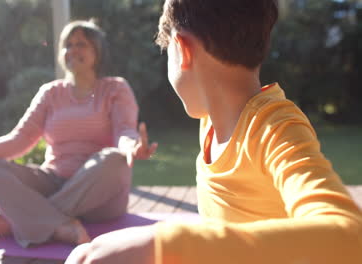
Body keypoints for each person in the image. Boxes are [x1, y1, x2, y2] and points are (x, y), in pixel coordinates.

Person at [64, 1, 362, 263]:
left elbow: (349, 237)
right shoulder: (210, 122)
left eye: (166, 51)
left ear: (182, 49)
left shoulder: (274, 126)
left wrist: (163, 244)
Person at [0, 20, 157, 248]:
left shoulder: (115, 88)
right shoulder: (50, 93)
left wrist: (131, 147)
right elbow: (19, 139)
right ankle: (59, 224)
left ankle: (26, 220)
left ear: (98, 51)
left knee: (114, 159)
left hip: (100, 196)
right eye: (67, 45)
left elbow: (125, 130)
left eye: (81, 43)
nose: (72, 50)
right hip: (53, 181)